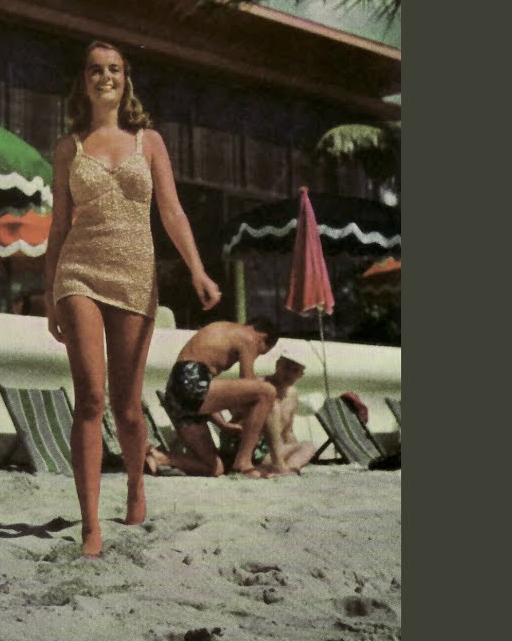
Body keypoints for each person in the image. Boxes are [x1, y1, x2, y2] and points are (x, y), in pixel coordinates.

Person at [45, 40, 221, 558]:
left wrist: (197, 269)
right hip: (79, 273)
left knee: (127, 408)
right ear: (83, 81)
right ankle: (90, 524)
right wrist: (51, 295)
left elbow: (172, 212)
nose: (106, 77)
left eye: (115, 70)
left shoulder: (150, 142)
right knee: (90, 398)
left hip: (135, 278)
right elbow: (58, 227)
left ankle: (137, 484)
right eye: (96, 70)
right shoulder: (68, 148)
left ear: (126, 79)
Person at [145, 316, 295, 479]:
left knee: (214, 468)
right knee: (267, 392)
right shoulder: (248, 336)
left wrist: (223, 425)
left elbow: (204, 397)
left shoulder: (224, 331)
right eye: (261, 352)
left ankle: (159, 457)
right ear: (263, 338)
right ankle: (244, 463)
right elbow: (248, 383)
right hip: (191, 380)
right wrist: (252, 420)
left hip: (177, 393)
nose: (256, 354)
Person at [214, 343, 318, 478]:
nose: (289, 374)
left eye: (295, 370)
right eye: (286, 367)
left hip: (268, 453)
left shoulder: (292, 395)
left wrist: (294, 453)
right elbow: (218, 402)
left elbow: (287, 432)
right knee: (271, 405)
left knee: (308, 446)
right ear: (277, 365)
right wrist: (224, 424)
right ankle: (277, 467)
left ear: (301, 375)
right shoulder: (258, 386)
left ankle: (288, 471)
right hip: (244, 448)